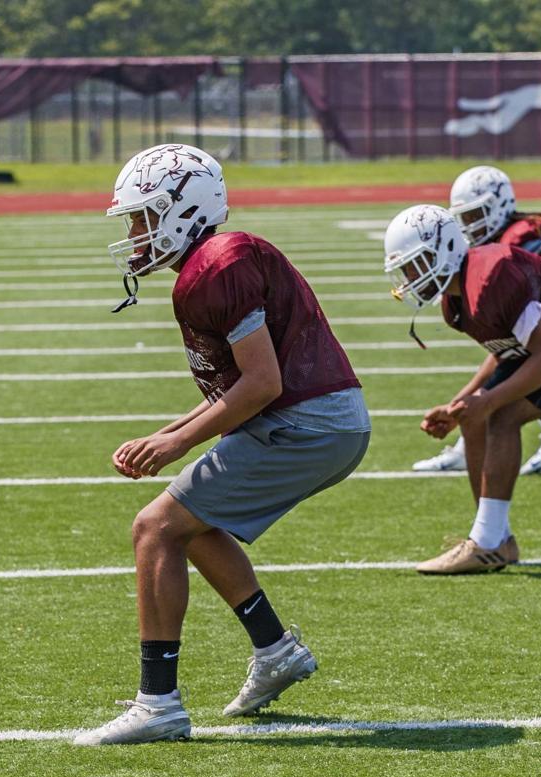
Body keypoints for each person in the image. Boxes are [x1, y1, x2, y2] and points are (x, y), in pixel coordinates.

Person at [74, 144, 371, 745]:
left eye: (143, 216)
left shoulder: (218, 264)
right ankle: (276, 650)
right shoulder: (214, 260)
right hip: (313, 419)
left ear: (182, 210)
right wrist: (169, 432)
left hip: (306, 424)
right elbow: (244, 384)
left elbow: (263, 383)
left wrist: (178, 444)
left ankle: (158, 702)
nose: (135, 232)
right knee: (192, 523)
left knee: (154, 528)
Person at [384, 204, 541, 575]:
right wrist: (461, 400)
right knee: (472, 415)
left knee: (501, 415)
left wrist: (486, 400)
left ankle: (486, 544)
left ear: (444, 250)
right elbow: (507, 350)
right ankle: (495, 538)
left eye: (415, 264)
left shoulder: (489, 276)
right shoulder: (455, 302)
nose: (410, 278)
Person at [412, 165, 541, 476]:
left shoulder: (516, 241)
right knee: (511, 364)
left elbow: (527, 334)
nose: (470, 226)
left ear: (500, 204)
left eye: (475, 215)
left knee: (518, 377)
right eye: (465, 218)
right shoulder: (503, 241)